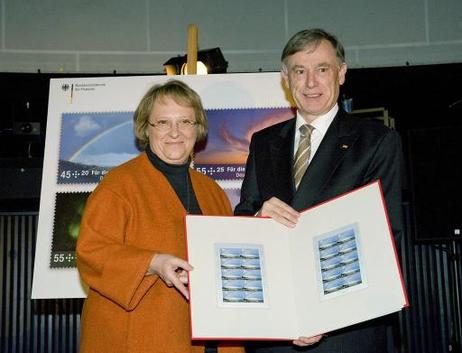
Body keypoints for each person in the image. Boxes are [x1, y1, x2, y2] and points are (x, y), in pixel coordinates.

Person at [235, 28, 403, 353]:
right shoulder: (264, 142)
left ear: (341, 74)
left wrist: (322, 315)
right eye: (300, 71)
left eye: (322, 69)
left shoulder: (377, 141)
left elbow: (385, 240)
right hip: (276, 333)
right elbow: (245, 218)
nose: (311, 83)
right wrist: (257, 219)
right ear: (286, 79)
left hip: (346, 333)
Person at [76, 80, 243, 353]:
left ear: (198, 128)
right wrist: (152, 262)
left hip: (210, 338)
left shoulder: (212, 191)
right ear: (146, 128)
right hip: (140, 337)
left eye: (185, 122)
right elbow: (91, 253)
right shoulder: (118, 185)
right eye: (163, 122)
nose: (175, 132)